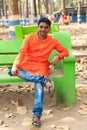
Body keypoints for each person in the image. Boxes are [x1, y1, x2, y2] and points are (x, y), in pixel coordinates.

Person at [10, 17, 69, 127]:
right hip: (26, 64)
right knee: (13, 71)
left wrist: (58, 56)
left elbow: (65, 51)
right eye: (41, 27)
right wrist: (14, 66)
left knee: (38, 84)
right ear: (38, 27)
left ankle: (37, 114)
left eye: (46, 28)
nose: (43, 29)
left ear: (49, 29)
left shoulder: (52, 41)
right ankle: (44, 80)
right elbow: (22, 52)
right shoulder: (30, 37)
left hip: (41, 66)